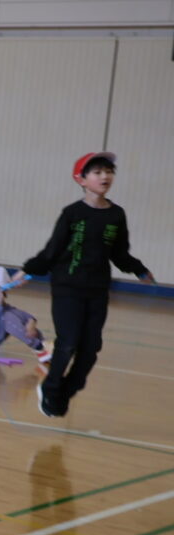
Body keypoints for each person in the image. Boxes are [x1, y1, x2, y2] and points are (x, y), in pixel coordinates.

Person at [23, 152, 157, 418]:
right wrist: (28, 270)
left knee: (90, 349)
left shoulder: (117, 215)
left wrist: (138, 269)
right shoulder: (72, 214)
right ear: (81, 179)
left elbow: (119, 253)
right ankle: (50, 388)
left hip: (97, 290)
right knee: (68, 342)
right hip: (66, 287)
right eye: (97, 172)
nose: (105, 176)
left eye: (109, 171)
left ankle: (67, 390)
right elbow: (53, 251)